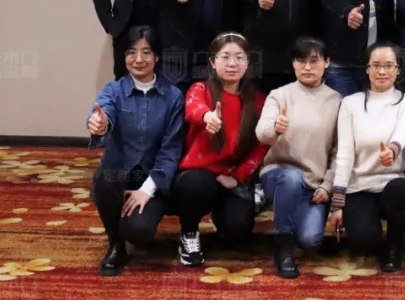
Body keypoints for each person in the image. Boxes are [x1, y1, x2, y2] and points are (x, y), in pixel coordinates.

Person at [86, 25, 184, 277]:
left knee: (140, 232)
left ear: (157, 57)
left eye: (146, 52)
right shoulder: (113, 90)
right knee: (104, 177)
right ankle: (115, 244)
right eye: (131, 52)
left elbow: (170, 150)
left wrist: (146, 190)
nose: (138, 59)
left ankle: (130, 224)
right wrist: (99, 123)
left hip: (152, 179)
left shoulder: (173, 97)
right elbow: (102, 112)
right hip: (119, 177)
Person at [172, 32, 269, 267]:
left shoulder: (257, 100)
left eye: (239, 57)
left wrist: (238, 176)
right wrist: (207, 117)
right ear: (213, 62)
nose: (232, 63)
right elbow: (192, 108)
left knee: (238, 231)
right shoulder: (200, 89)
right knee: (195, 186)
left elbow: (262, 146)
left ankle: (223, 213)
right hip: (198, 174)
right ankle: (189, 234)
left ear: (247, 63)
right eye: (225, 57)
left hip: (230, 176)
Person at [255, 37, 343, 279]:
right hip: (279, 174)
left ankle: (293, 219)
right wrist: (276, 128)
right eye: (300, 60)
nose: (307, 67)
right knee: (291, 178)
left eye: (314, 61)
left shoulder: (336, 100)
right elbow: (261, 134)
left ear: (327, 62)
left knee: (310, 239)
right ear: (293, 63)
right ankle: (282, 247)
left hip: (313, 184)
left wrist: (327, 185)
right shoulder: (279, 95)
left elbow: (339, 150)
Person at [328, 43, 405, 272]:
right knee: (363, 242)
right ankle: (378, 240)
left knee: (403, 189)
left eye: (388, 66)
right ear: (367, 69)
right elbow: (344, 153)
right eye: (376, 65)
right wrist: (337, 203)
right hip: (360, 186)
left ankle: (394, 245)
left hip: (393, 183)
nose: (382, 71)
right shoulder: (350, 103)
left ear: (397, 70)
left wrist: (393, 150)